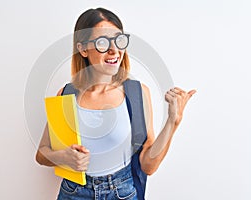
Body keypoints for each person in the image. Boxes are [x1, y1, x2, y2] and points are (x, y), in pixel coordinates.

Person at [36, 7, 196, 200]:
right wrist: (63, 157)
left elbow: (148, 166)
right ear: (83, 48)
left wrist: (173, 121)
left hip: (122, 192)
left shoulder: (137, 93)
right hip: (74, 193)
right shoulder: (66, 94)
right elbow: (42, 154)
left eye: (118, 40)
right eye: (103, 42)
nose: (114, 50)